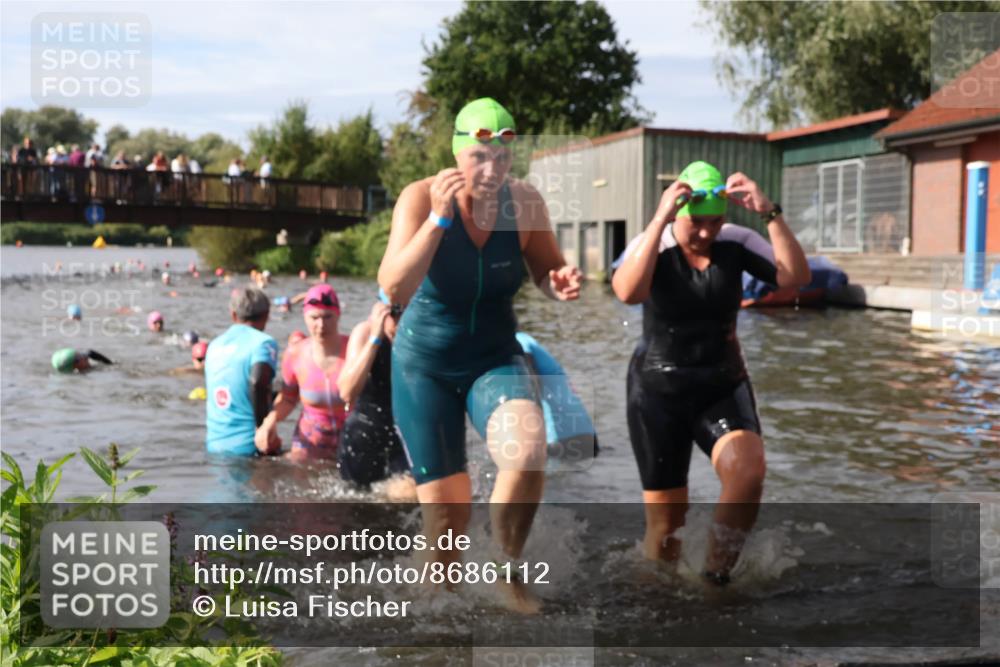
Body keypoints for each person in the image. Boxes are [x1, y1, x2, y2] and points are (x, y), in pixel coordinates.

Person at [377, 97, 582, 613]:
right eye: (479, 157)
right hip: (424, 367)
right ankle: (435, 628)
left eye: (503, 158)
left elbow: (546, 271)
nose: (491, 170)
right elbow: (392, 287)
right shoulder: (421, 197)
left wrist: (559, 283)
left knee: (529, 448)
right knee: (447, 525)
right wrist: (438, 222)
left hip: (493, 357)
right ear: (458, 153)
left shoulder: (526, 204)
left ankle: (504, 573)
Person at [610, 160, 810, 586]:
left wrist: (769, 212)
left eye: (714, 221)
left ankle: (715, 576)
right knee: (665, 533)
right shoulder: (654, 242)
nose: (706, 232)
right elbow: (627, 292)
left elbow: (795, 278)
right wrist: (660, 218)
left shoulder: (737, 241)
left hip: (721, 384)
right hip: (656, 393)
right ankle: (658, 599)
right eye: (696, 223)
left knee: (748, 472)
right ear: (678, 215)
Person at [254, 284, 349, 462]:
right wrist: (269, 423)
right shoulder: (295, 354)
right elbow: (288, 399)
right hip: (310, 442)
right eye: (314, 317)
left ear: (338, 315)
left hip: (351, 440)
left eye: (328, 317)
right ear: (305, 317)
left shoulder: (353, 350)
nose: (321, 325)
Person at [337, 293, 414, 499]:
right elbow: (346, 392)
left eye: (408, 311)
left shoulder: (419, 335)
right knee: (357, 505)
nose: (401, 320)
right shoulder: (365, 332)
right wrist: (375, 340)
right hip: (364, 433)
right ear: (381, 311)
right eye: (395, 312)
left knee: (409, 496)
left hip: (403, 434)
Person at [205, 286, 278, 456]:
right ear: (267, 315)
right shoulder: (264, 343)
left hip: (214, 445)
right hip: (249, 446)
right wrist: (263, 429)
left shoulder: (214, 345)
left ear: (233, 315)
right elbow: (257, 382)